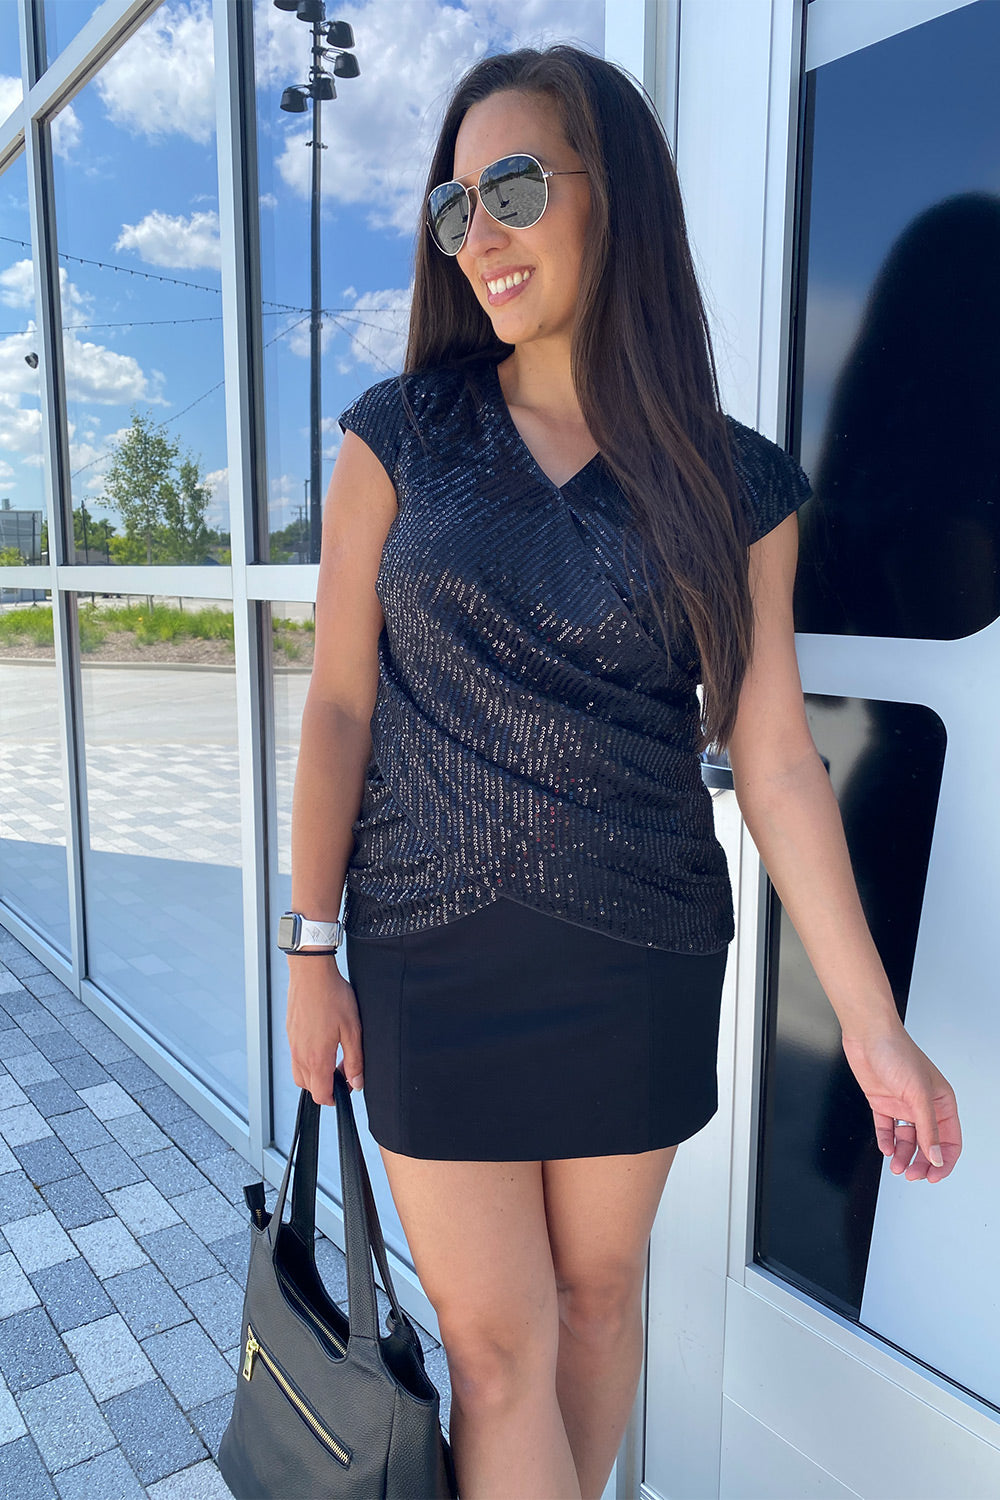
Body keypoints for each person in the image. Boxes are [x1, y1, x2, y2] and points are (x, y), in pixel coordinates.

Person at [283, 44, 962, 1500]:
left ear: (620, 195)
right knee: (496, 1352)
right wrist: (308, 948)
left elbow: (774, 756)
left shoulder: (736, 483)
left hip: (638, 952)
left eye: (515, 187)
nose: (481, 232)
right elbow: (338, 706)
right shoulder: (399, 435)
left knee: (595, 1309)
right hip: (427, 956)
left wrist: (872, 1027)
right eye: (456, 207)